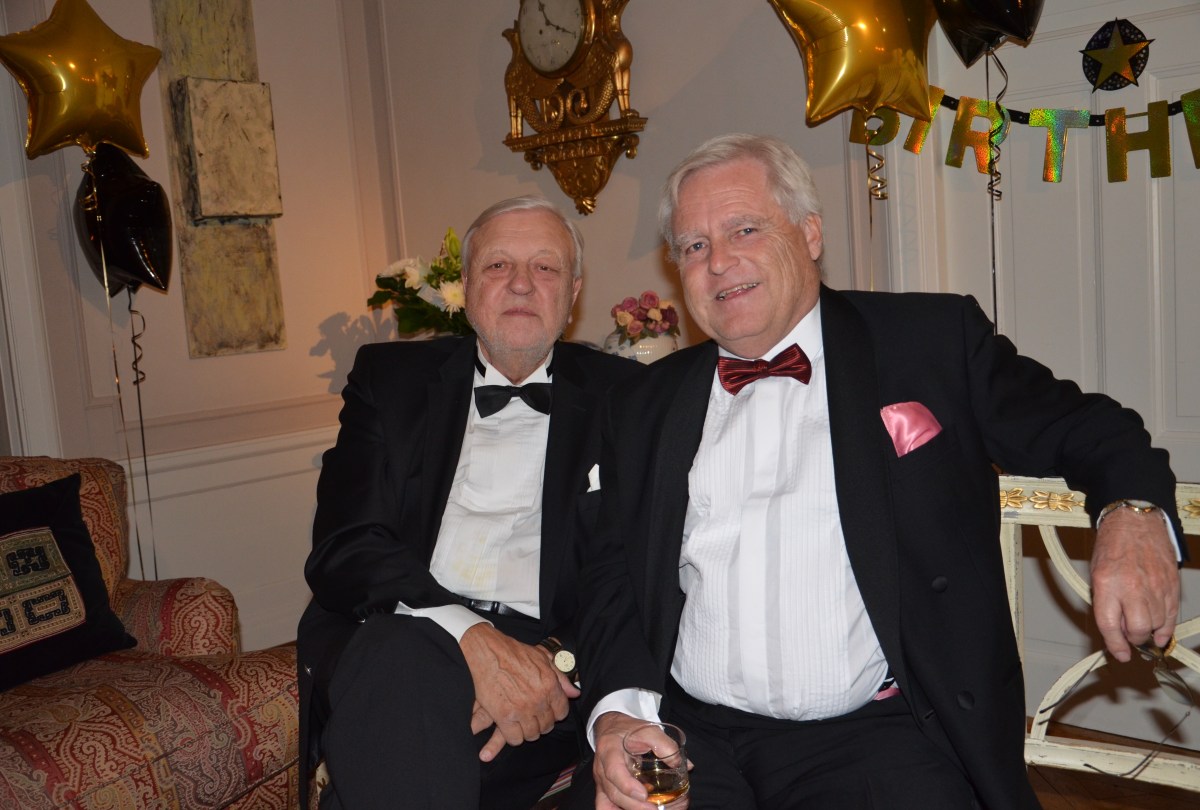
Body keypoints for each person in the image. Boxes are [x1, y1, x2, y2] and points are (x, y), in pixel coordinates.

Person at [571, 134, 1184, 810]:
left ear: (810, 234)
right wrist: (618, 714)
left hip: (872, 736)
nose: (718, 261)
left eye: (745, 229)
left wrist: (1134, 514)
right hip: (690, 737)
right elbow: (611, 572)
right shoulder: (643, 402)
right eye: (693, 245)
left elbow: (1089, 427)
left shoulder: (929, 343)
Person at [298, 195, 643, 810]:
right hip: (401, 624)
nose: (521, 284)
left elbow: (634, 574)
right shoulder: (389, 379)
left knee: (390, 753)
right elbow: (344, 547)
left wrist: (550, 662)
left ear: (573, 293)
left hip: (544, 651)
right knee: (398, 664)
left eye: (545, 267)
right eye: (497, 265)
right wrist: (469, 635)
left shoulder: (628, 396)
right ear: (466, 286)